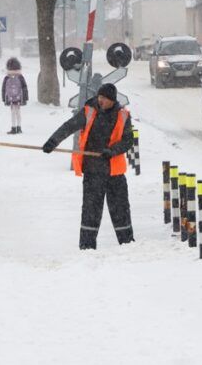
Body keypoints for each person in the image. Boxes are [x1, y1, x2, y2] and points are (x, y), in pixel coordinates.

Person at [42, 83, 135, 249]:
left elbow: (128, 141)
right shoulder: (89, 111)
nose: (101, 101)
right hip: (93, 171)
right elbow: (68, 127)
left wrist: (112, 151)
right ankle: (87, 247)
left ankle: (127, 244)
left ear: (112, 100)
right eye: (100, 97)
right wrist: (52, 142)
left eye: (105, 99)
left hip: (115, 172)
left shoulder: (123, 115)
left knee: (120, 209)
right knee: (90, 211)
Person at [1, 57, 28, 134]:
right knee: (18, 113)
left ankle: (14, 128)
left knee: (13, 113)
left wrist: (4, 98)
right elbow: (24, 87)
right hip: (19, 98)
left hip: (11, 98)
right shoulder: (20, 77)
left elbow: (3, 89)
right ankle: (18, 128)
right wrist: (25, 98)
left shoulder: (7, 77)